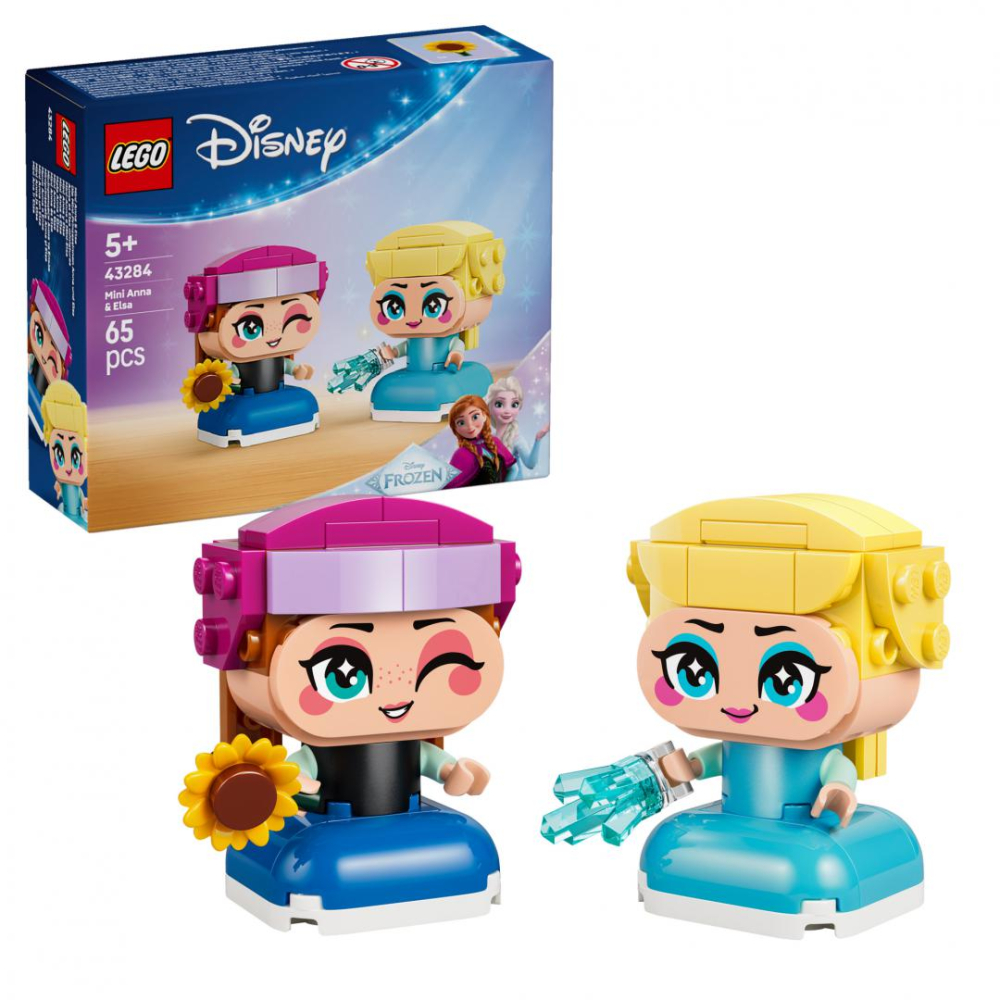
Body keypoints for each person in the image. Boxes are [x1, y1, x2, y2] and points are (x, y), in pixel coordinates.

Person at [180, 495, 521, 934]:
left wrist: (453, 770)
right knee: (309, 858)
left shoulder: (417, 734)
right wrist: (294, 782)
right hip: (324, 822)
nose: (397, 689)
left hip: (406, 809)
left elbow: (425, 757)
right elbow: (295, 770)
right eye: (344, 672)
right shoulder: (295, 721)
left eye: (438, 662)